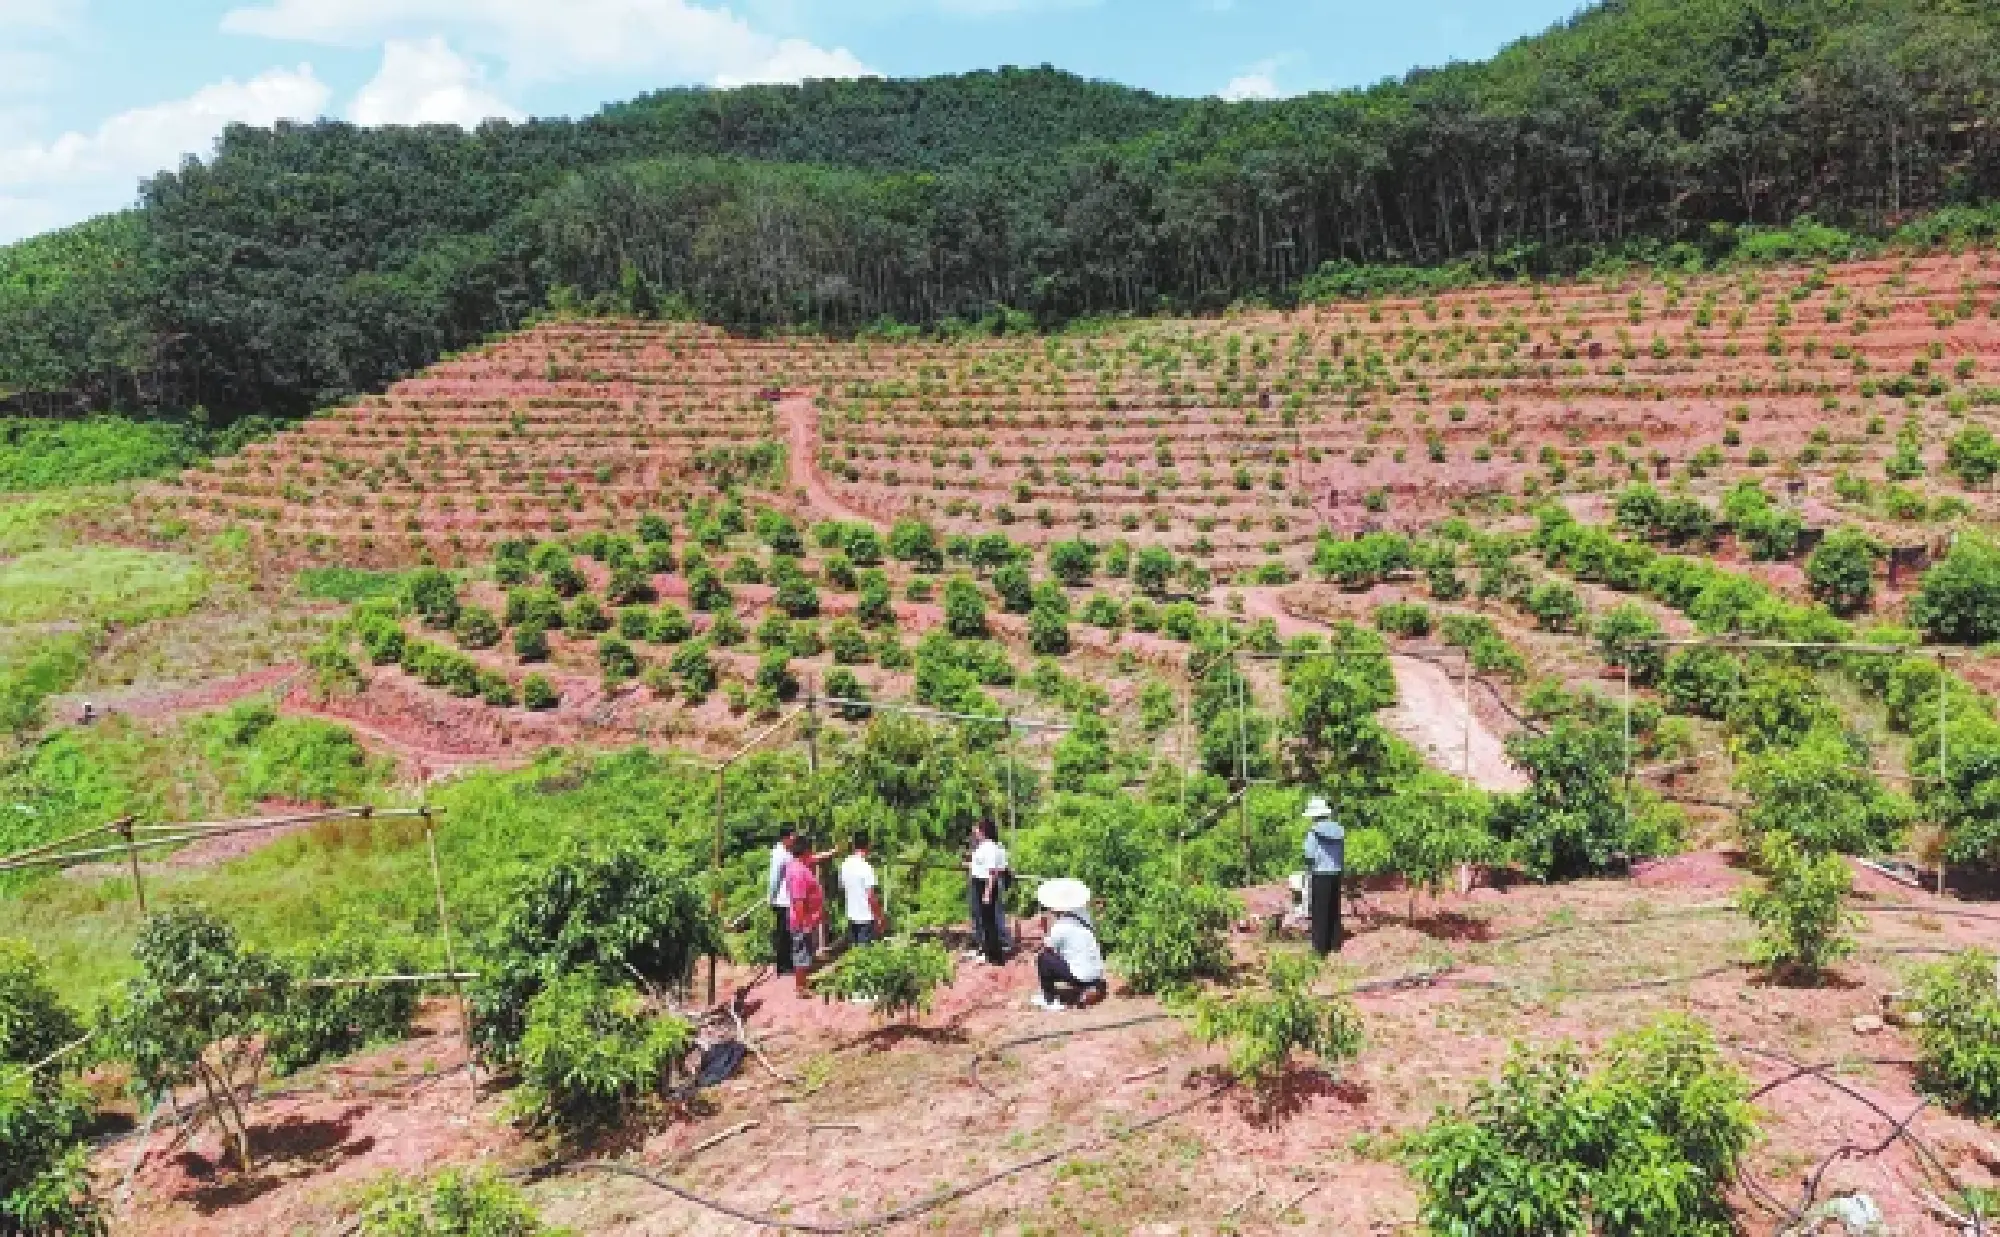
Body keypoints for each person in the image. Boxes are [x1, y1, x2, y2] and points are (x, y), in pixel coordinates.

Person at [1031, 878, 1106, 1011]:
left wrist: (1044, 930)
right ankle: (1089, 987)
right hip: (1096, 974)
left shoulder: (1061, 927)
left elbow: (1047, 948)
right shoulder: (1084, 915)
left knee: (1043, 958)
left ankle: (1049, 999)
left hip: (1081, 976)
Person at [783, 834, 826, 995]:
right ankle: (801, 988)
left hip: (807, 919)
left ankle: (804, 984)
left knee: (805, 952)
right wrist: (805, 923)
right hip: (802, 921)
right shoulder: (798, 872)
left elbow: (815, 859)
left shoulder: (799, 864)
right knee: (801, 953)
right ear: (805, 851)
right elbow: (798, 900)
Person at [1302, 797, 1345, 955]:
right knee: (1334, 908)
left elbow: (1309, 853)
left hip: (1320, 874)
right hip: (1336, 873)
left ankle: (1320, 948)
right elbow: (1341, 852)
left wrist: (1310, 864)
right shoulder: (1339, 830)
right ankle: (1335, 944)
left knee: (1319, 911)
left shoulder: (1313, 832)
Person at [967, 821, 1007, 966]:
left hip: (985, 884)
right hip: (979, 883)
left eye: (977, 829)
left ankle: (995, 955)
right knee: (984, 920)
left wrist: (987, 892)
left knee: (989, 922)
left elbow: (992, 873)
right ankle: (989, 952)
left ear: (984, 831)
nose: (975, 832)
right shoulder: (983, 846)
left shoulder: (990, 848)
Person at [840, 834, 884, 947]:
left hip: (851, 916)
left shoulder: (845, 864)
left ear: (854, 845)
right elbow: (871, 896)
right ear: (868, 845)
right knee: (865, 955)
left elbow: (843, 887)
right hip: (865, 918)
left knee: (855, 953)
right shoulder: (866, 867)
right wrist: (879, 917)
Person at [767, 826, 797, 975]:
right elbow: (774, 878)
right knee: (783, 934)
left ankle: (788, 964)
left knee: (788, 933)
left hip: (788, 899)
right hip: (781, 900)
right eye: (792, 835)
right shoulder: (779, 854)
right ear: (785, 837)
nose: (794, 838)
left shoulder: (787, 852)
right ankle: (782, 966)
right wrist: (771, 897)